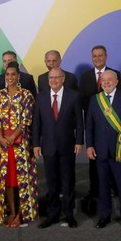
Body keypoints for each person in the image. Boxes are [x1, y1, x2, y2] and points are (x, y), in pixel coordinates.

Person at [85, 70, 121, 228]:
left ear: (116, 81)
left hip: (120, 149)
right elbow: (90, 125)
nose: (106, 82)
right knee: (102, 186)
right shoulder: (95, 99)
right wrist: (90, 146)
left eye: (110, 79)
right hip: (100, 150)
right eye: (103, 80)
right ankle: (105, 215)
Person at [33, 67, 84, 229]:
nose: (53, 80)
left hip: (68, 145)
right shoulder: (40, 97)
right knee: (52, 182)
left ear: (63, 78)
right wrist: (36, 144)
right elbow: (36, 124)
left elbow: (79, 122)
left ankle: (69, 214)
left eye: (56, 77)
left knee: (68, 181)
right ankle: (52, 214)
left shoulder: (73, 96)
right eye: (50, 78)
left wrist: (79, 141)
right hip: (48, 147)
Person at [0, 62, 38, 227]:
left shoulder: (26, 95)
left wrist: (13, 137)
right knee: (7, 180)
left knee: (20, 179)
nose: (10, 77)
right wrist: (2, 137)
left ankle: (21, 213)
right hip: (2, 146)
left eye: (13, 74)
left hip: (20, 145)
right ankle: (11, 211)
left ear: (19, 76)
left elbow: (26, 120)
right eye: (7, 74)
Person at [79, 45, 121, 202]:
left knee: (113, 159)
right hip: (95, 124)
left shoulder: (115, 75)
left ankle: (115, 188)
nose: (97, 58)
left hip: (112, 125)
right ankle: (94, 190)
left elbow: (120, 99)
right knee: (95, 160)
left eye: (100, 56)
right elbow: (82, 100)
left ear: (106, 56)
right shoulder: (84, 77)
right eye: (94, 56)